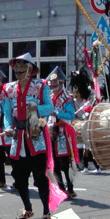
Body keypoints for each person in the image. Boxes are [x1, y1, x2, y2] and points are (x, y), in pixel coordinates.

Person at [3, 52, 55, 219]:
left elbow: (50, 107)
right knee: (19, 176)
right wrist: (8, 127)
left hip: (36, 136)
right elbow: (7, 112)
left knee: (40, 176)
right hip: (18, 138)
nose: (18, 69)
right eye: (16, 66)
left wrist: (37, 107)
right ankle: (27, 208)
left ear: (30, 69)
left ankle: (47, 212)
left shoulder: (41, 86)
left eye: (22, 66)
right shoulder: (9, 89)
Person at [46, 67, 78, 199]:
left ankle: (70, 187)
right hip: (51, 131)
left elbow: (71, 115)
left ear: (61, 83)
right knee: (54, 162)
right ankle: (61, 188)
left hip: (63, 133)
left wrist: (57, 113)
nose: (53, 86)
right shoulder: (50, 97)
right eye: (51, 84)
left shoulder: (66, 98)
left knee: (65, 163)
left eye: (56, 83)